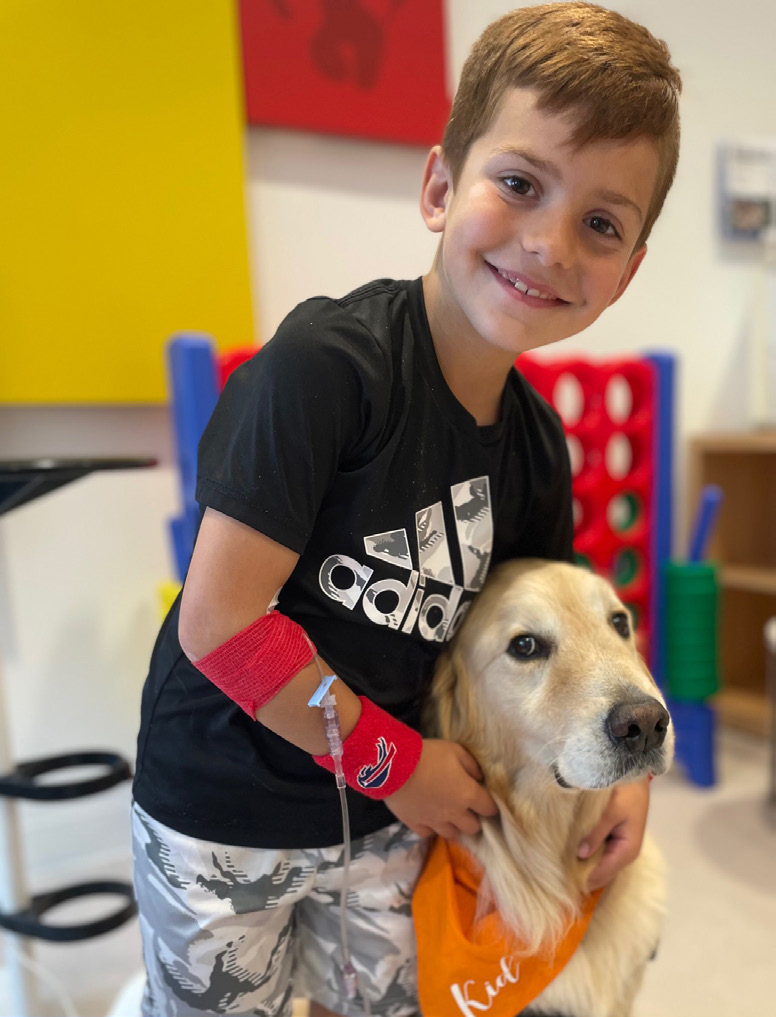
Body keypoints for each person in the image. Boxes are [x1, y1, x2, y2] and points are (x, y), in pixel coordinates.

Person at [131, 4, 681, 1016]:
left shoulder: (532, 447)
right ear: (438, 186)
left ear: (627, 268)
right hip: (225, 805)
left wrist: (625, 770)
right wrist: (398, 766)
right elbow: (220, 626)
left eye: (600, 224)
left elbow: (568, 652)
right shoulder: (324, 370)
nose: (549, 244)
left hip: (388, 823)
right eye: (517, 184)